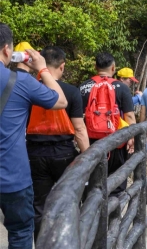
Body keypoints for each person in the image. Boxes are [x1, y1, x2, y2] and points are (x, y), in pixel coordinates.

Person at [0, 23, 67, 249]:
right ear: (7, 50)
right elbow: (60, 101)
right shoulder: (20, 81)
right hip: (12, 177)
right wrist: (42, 69)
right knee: (19, 233)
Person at [26, 46, 90, 241]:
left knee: (39, 206)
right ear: (62, 67)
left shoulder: (27, 88)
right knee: (69, 202)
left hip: (34, 153)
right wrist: (88, 157)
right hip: (64, 153)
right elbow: (79, 129)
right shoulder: (71, 92)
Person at [80, 53, 136, 195]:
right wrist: (132, 137)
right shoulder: (121, 87)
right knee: (116, 180)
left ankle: (93, 214)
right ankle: (113, 214)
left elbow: (78, 118)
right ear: (113, 68)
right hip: (116, 141)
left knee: (93, 181)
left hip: (91, 142)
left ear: (95, 67)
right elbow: (129, 115)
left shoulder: (83, 87)